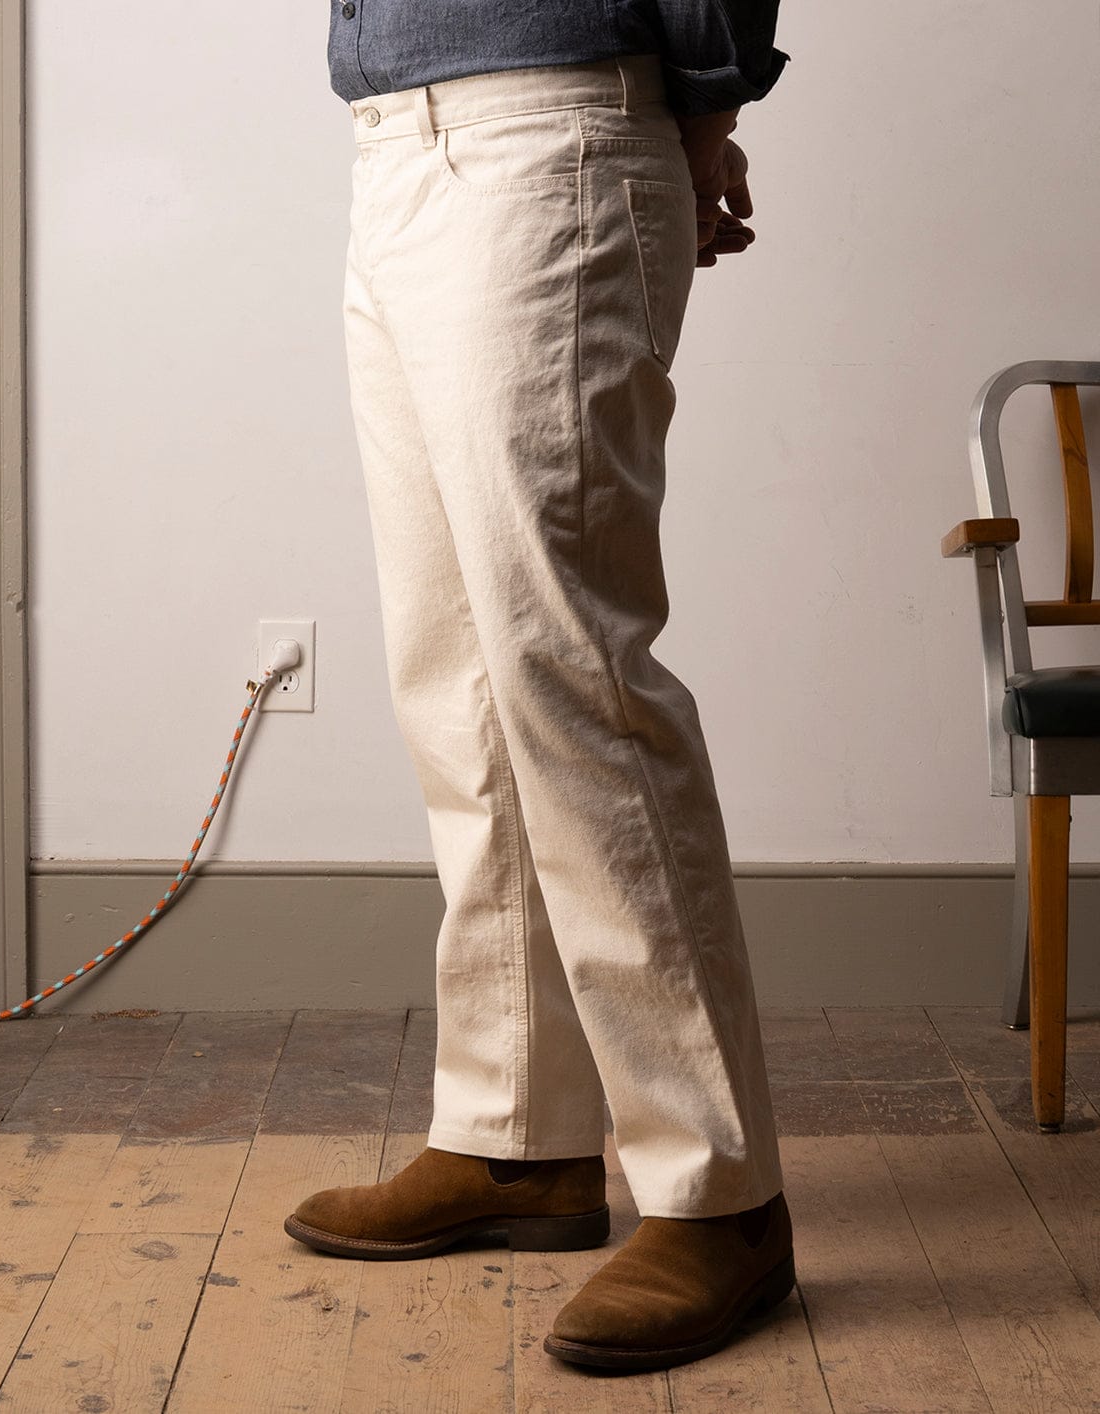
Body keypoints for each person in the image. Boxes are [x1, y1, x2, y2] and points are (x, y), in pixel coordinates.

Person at [284, 0, 793, 1374]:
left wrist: (704, 107)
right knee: (454, 677)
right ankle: (517, 1137)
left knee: (574, 678)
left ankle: (718, 1190)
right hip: (394, 141)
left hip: (550, 135)